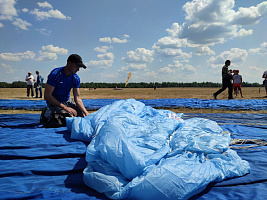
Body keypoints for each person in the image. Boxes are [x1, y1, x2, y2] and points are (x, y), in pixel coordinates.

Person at [42, 54, 89, 126]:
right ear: (69, 63)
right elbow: (47, 96)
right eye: (77, 66)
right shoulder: (56, 74)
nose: (78, 69)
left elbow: (77, 98)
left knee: (82, 115)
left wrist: (85, 112)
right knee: (68, 118)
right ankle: (47, 112)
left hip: (66, 101)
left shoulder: (76, 78)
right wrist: (65, 108)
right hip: (54, 101)